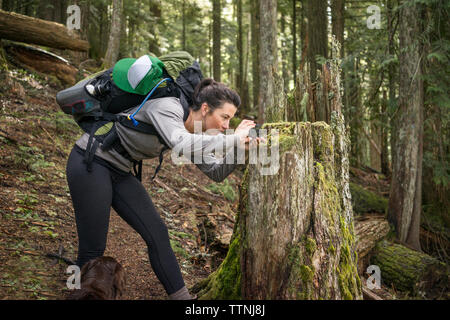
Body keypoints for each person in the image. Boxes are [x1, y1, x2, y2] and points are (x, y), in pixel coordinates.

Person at [65, 76, 256, 300]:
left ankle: (184, 300)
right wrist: (233, 138)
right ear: (205, 108)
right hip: (90, 162)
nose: (226, 126)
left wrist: (241, 147)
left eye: (230, 121)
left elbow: (216, 172)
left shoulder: (194, 132)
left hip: (119, 170)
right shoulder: (168, 107)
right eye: (224, 117)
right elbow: (180, 143)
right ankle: (72, 290)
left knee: (158, 233)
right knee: (92, 250)